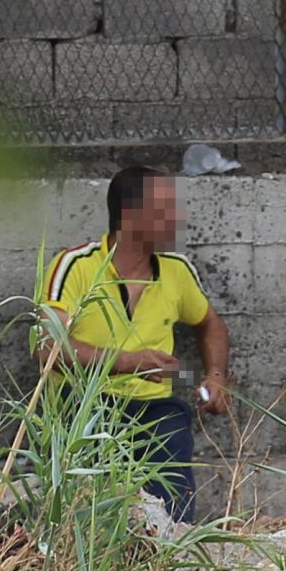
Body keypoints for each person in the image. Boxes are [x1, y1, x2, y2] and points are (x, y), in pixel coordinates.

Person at [34, 165, 231, 522]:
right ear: (129, 215)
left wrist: (215, 376)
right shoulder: (74, 265)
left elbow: (211, 325)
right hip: (84, 405)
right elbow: (47, 349)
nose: (177, 218)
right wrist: (127, 362)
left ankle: (170, 552)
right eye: (164, 210)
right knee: (91, 513)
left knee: (172, 441)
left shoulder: (176, 269)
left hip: (156, 407)